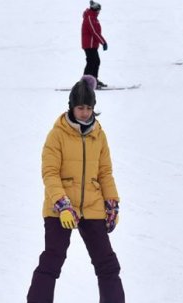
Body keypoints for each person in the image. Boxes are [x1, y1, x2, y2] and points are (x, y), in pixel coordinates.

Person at [26, 75, 124, 303]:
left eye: (89, 107)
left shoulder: (98, 135)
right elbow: (50, 174)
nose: (84, 113)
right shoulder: (57, 135)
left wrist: (112, 204)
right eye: (80, 107)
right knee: (52, 259)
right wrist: (63, 205)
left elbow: (105, 173)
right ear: (71, 106)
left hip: (91, 206)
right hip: (60, 209)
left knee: (107, 263)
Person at [82, 0, 108, 88]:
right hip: (89, 44)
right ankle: (85, 82)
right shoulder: (90, 17)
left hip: (93, 44)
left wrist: (102, 41)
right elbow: (94, 32)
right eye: (98, 10)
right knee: (91, 62)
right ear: (95, 9)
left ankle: (94, 80)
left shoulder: (93, 17)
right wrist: (103, 42)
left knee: (96, 61)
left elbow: (96, 32)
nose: (99, 12)